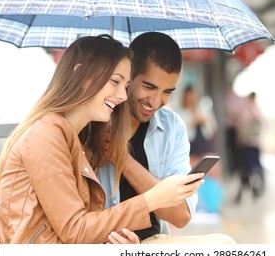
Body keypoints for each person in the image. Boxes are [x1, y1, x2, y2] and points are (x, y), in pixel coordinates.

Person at [0, 34, 205, 244]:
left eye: (124, 86)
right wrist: (150, 200)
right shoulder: (48, 135)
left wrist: (118, 241)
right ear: (80, 74)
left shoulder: (69, 136)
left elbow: (83, 225)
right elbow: (75, 230)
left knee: (223, 245)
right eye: (115, 81)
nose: (123, 96)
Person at [98, 32, 234, 243]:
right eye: (149, 87)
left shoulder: (172, 128)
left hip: (150, 241)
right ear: (128, 76)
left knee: (225, 245)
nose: (155, 101)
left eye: (167, 92)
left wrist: (123, 160)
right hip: (97, 241)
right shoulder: (96, 120)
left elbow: (181, 216)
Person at [176, 85, 224, 215]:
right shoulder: (180, 114)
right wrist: (192, 121)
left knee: (215, 173)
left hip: (205, 150)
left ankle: (213, 205)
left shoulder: (203, 110)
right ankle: (193, 207)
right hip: (190, 153)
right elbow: (182, 134)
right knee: (192, 178)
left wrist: (204, 119)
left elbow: (211, 131)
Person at [234, 92, 265, 203]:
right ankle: (253, 191)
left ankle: (252, 190)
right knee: (250, 169)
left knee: (251, 169)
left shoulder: (250, 110)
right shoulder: (254, 110)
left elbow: (240, 126)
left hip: (250, 145)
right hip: (250, 144)